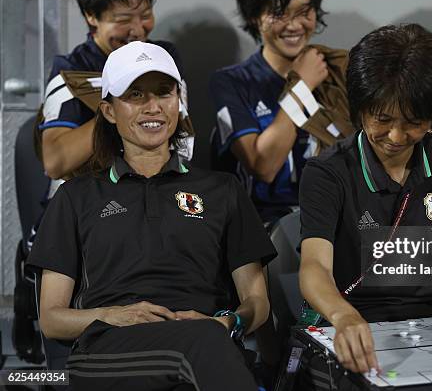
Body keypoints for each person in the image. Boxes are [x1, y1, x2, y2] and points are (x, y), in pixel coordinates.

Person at [27, 41, 275, 390]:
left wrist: (228, 322)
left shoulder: (224, 190)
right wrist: (112, 315)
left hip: (206, 341)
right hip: (108, 350)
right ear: (110, 112)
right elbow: (51, 320)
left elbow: (258, 302)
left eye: (164, 93)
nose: (153, 107)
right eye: (136, 96)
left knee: (204, 346)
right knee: (203, 348)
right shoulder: (75, 197)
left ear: (179, 102)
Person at [298, 24, 432, 377]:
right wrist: (342, 315)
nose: (395, 136)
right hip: (358, 319)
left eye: (414, 123)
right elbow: (315, 267)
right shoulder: (327, 172)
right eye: (383, 119)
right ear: (360, 108)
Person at [209, 0, 354, 224]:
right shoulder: (231, 82)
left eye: (304, 12)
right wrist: (302, 87)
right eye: (279, 13)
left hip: (334, 220)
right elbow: (263, 166)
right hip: (262, 228)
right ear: (255, 17)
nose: (294, 25)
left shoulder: (337, 72)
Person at [39, 0, 191, 184]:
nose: (137, 30)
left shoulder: (163, 57)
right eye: (123, 20)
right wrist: (121, 110)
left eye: (145, 15)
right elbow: (55, 163)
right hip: (89, 201)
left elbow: (183, 145)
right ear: (91, 16)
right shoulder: (73, 70)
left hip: (159, 191)